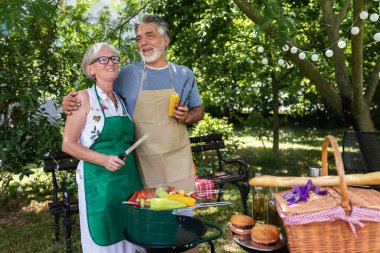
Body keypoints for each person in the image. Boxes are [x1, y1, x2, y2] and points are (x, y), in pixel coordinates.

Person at [62, 13, 205, 193]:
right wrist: (68, 102)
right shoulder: (125, 75)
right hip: (143, 164)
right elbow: (96, 95)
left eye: (150, 35)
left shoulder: (184, 74)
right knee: (153, 217)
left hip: (178, 158)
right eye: (139, 38)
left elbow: (199, 110)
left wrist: (188, 116)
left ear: (165, 40)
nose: (144, 42)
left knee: (183, 216)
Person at [62, 42, 145, 253]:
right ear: (90, 68)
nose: (111, 63)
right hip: (98, 181)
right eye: (103, 59)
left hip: (127, 179)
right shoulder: (83, 98)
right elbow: (68, 144)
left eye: (114, 59)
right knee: (105, 237)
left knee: (130, 233)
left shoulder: (121, 99)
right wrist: (103, 159)